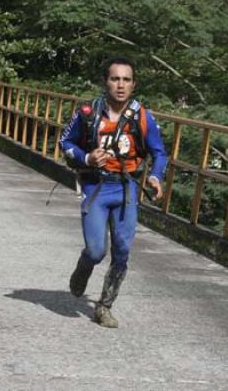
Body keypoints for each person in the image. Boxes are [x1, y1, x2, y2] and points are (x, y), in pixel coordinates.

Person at [59, 56, 167, 328]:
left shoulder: (142, 116)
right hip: (96, 186)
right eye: (115, 79)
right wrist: (86, 159)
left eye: (126, 80)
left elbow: (159, 152)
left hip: (127, 187)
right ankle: (84, 266)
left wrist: (155, 176)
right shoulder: (88, 113)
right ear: (105, 82)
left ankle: (104, 306)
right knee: (96, 251)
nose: (120, 85)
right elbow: (65, 142)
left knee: (122, 250)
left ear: (134, 84)